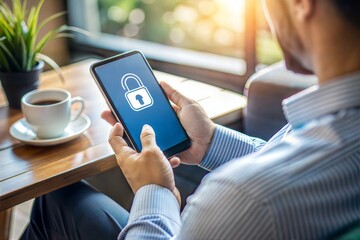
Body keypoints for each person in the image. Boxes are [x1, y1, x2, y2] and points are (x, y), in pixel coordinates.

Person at [21, 0, 360, 239]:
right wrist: (210, 141)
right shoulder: (334, 133)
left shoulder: (244, 199)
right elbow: (291, 164)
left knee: (53, 203)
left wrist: (155, 190)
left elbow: (275, 183)